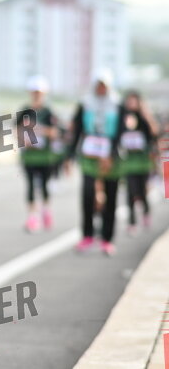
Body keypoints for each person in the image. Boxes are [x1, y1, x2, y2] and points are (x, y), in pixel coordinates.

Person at [66, 70, 123, 256]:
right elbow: (77, 130)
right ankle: (87, 235)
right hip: (89, 156)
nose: (101, 89)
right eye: (99, 85)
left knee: (110, 196)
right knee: (88, 195)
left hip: (111, 157)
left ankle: (107, 239)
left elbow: (122, 131)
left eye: (104, 86)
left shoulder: (117, 104)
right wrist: (69, 156)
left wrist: (112, 153)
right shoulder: (85, 104)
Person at [16, 76, 58, 232]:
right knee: (31, 186)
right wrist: (23, 138)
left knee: (45, 185)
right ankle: (32, 217)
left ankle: (46, 210)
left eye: (39, 92)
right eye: (34, 92)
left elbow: (55, 132)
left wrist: (40, 129)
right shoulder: (24, 111)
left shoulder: (48, 112)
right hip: (29, 156)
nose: (36, 95)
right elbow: (16, 130)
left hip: (45, 156)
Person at [116, 90, 157, 235]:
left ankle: (146, 212)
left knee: (142, 191)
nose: (131, 104)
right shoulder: (122, 118)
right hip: (128, 162)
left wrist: (146, 116)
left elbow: (153, 135)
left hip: (143, 162)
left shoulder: (144, 119)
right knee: (130, 192)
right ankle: (132, 222)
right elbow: (117, 136)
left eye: (134, 101)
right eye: (129, 101)